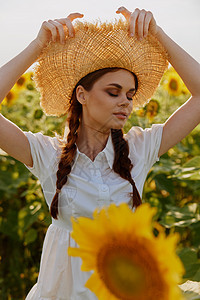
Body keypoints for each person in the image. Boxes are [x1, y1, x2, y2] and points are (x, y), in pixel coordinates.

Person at [0, 6, 199, 300]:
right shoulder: (48, 156)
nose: (126, 104)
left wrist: (158, 35)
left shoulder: (139, 150)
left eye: (130, 94)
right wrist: (37, 46)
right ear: (82, 95)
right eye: (113, 91)